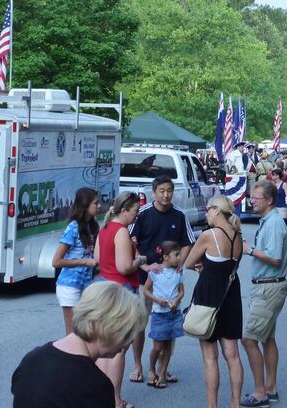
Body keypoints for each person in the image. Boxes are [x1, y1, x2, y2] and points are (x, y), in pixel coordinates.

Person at [11, 282, 148, 408]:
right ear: (104, 326)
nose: (129, 341)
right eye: (126, 332)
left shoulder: (31, 360)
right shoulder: (96, 385)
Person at [127, 175, 195, 384]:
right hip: (144, 279)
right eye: (162, 191)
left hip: (170, 283)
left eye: (169, 191)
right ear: (154, 192)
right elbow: (130, 241)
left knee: (169, 325)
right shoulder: (143, 214)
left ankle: (163, 369)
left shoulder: (179, 215)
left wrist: (180, 263)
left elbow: (188, 242)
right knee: (140, 323)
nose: (166, 195)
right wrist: (143, 265)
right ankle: (138, 366)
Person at [185, 196, 244, 408]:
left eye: (208, 209)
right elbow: (231, 265)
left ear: (217, 210)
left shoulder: (209, 235)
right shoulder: (237, 235)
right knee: (233, 355)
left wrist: (203, 266)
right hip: (231, 293)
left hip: (209, 294)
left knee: (210, 357)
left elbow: (189, 262)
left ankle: (212, 406)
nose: (206, 213)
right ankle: (235, 403)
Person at [95, 192, 151, 408]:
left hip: (104, 287)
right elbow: (124, 267)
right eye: (135, 211)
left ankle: (101, 395)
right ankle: (116, 400)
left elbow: (98, 259)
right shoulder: (121, 231)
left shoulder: (105, 228)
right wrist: (140, 259)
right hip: (122, 289)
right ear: (124, 210)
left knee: (105, 346)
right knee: (118, 348)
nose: (137, 215)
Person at [240, 181, 287, 407]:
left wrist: (249, 250)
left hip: (269, 287)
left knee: (249, 338)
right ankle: (271, 388)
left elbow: (275, 257)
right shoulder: (269, 221)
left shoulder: (274, 224)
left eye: (256, 197)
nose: (252, 200)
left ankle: (260, 393)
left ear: (269, 200)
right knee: (267, 338)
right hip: (266, 285)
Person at [52, 188, 100, 336]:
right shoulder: (73, 228)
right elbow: (56, 261)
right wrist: (84, 262)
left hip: (86, 284)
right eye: (95, 203)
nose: (99, 206)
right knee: (73, 333)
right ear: (85, 205)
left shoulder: (93, 226)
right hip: (70, 285)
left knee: (88, 330)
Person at [141, 241, 185, 389]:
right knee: (157, 346)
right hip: (159, 314)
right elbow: (145, 290)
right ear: (166, 257)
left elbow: (181, 291)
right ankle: (151, 368)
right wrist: (157, 300)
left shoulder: (178, 272)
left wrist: (177, 300)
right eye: (176, 255)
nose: (179, 258)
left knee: (168, 346)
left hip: (173, 313)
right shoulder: (155, 272)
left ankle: (162, 373)